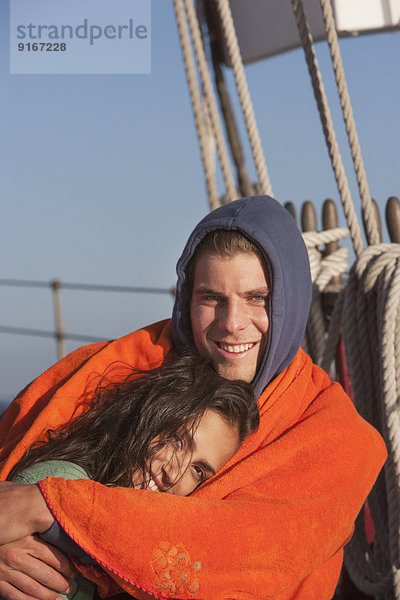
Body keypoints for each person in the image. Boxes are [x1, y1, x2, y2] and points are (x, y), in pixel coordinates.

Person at [0, 196, 387, 600]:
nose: (232, 323)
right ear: (187, 298)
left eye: (257, 298)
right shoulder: (111, 367)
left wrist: (47, 509)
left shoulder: (335, 436)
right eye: (211, 298)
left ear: (291, 302)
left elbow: (244, 551)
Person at [5, 354, 258, 600]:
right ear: (146, 415)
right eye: (176, 439)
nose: (173, 472)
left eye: (198, 470)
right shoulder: (58, 482)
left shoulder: (153, 537)